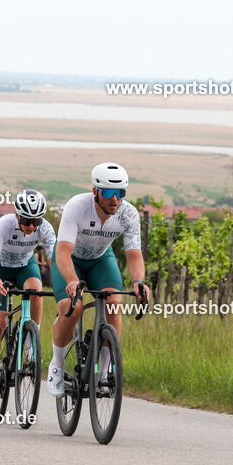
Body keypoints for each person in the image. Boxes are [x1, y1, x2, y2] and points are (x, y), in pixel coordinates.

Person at [47, 163, 147, 397]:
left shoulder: (129, 214)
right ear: (95, 191)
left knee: (114, 303)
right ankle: (57, 366)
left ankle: (104, 373)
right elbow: (62, 251)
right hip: (69, 259)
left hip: (101, 259)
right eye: (109, 193)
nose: (115, 199)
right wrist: (72, 281)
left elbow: (134, 254)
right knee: (72, 308)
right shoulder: (77, 207)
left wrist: (138, 282)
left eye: (120, 193)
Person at [0, 189, 55, 399]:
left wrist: (62, 286)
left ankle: (31, 342)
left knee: (36, 292)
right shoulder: (4, 225)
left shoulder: (45, 229)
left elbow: (55, 262)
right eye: (26, 220)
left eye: (36, 221)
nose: (31, 226)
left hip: (25, 266)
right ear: (17, 215)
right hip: (0, 269)